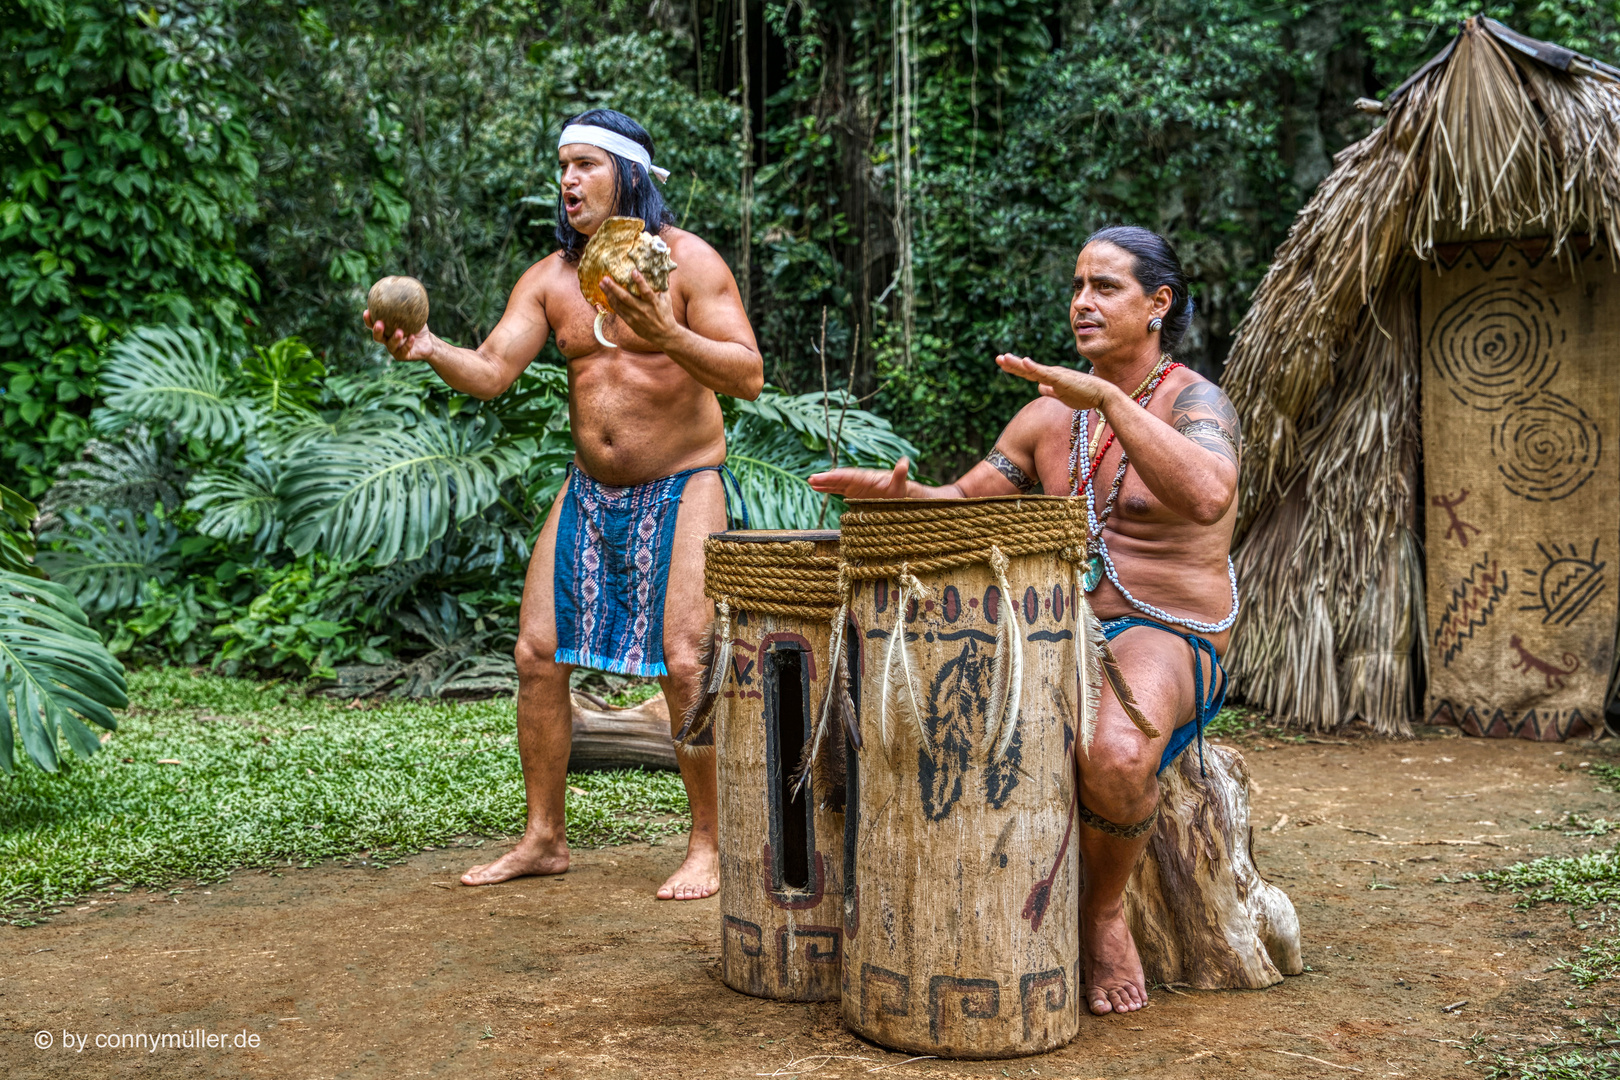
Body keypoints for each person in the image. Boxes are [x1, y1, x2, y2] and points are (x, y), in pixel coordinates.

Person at [808, 226, 1239, 1015]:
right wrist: (895, 493)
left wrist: (1107, 397)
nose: (1082, 302)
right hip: (1056, 627)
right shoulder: (1048, 418)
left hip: (1167, 631)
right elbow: (961, 505)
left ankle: (1102, 913)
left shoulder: (1194, 400)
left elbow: (1209, 495)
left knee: (1111, 755)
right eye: (1077, 285)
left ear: (1158, 304)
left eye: (1105, 286)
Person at [366, 108, 763, 900]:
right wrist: (428, 347)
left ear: (630, 175)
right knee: (536, 654)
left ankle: (708, 844)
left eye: (585, 164)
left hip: (687, 484)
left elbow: (746, 374)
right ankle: (545, 837)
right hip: (591, 491)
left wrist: (666, 331)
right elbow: (489, 371)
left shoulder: (687, 263)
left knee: (687, 662)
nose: (568, 180)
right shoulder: (552, 279)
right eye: (563, 167)